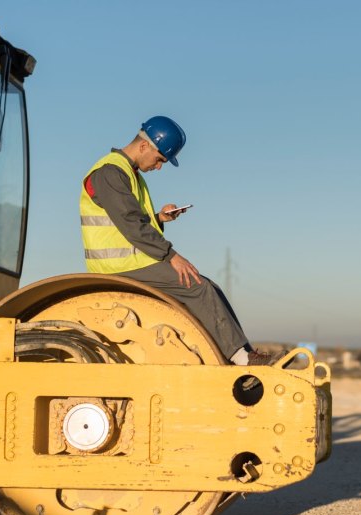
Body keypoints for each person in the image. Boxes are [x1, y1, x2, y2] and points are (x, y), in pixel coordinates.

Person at [79, 115, 273, 366]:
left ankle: (243, 353)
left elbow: (128, 222)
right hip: (117, 266)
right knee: (197, 286)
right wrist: (172, 256)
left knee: (209, 286)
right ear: (144, 146)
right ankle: (241, 360)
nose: (159, 167)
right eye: (160, 159)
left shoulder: (127, 173)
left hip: (131, 261)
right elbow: (131, 226)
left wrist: (159, 218)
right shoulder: (111, 172)